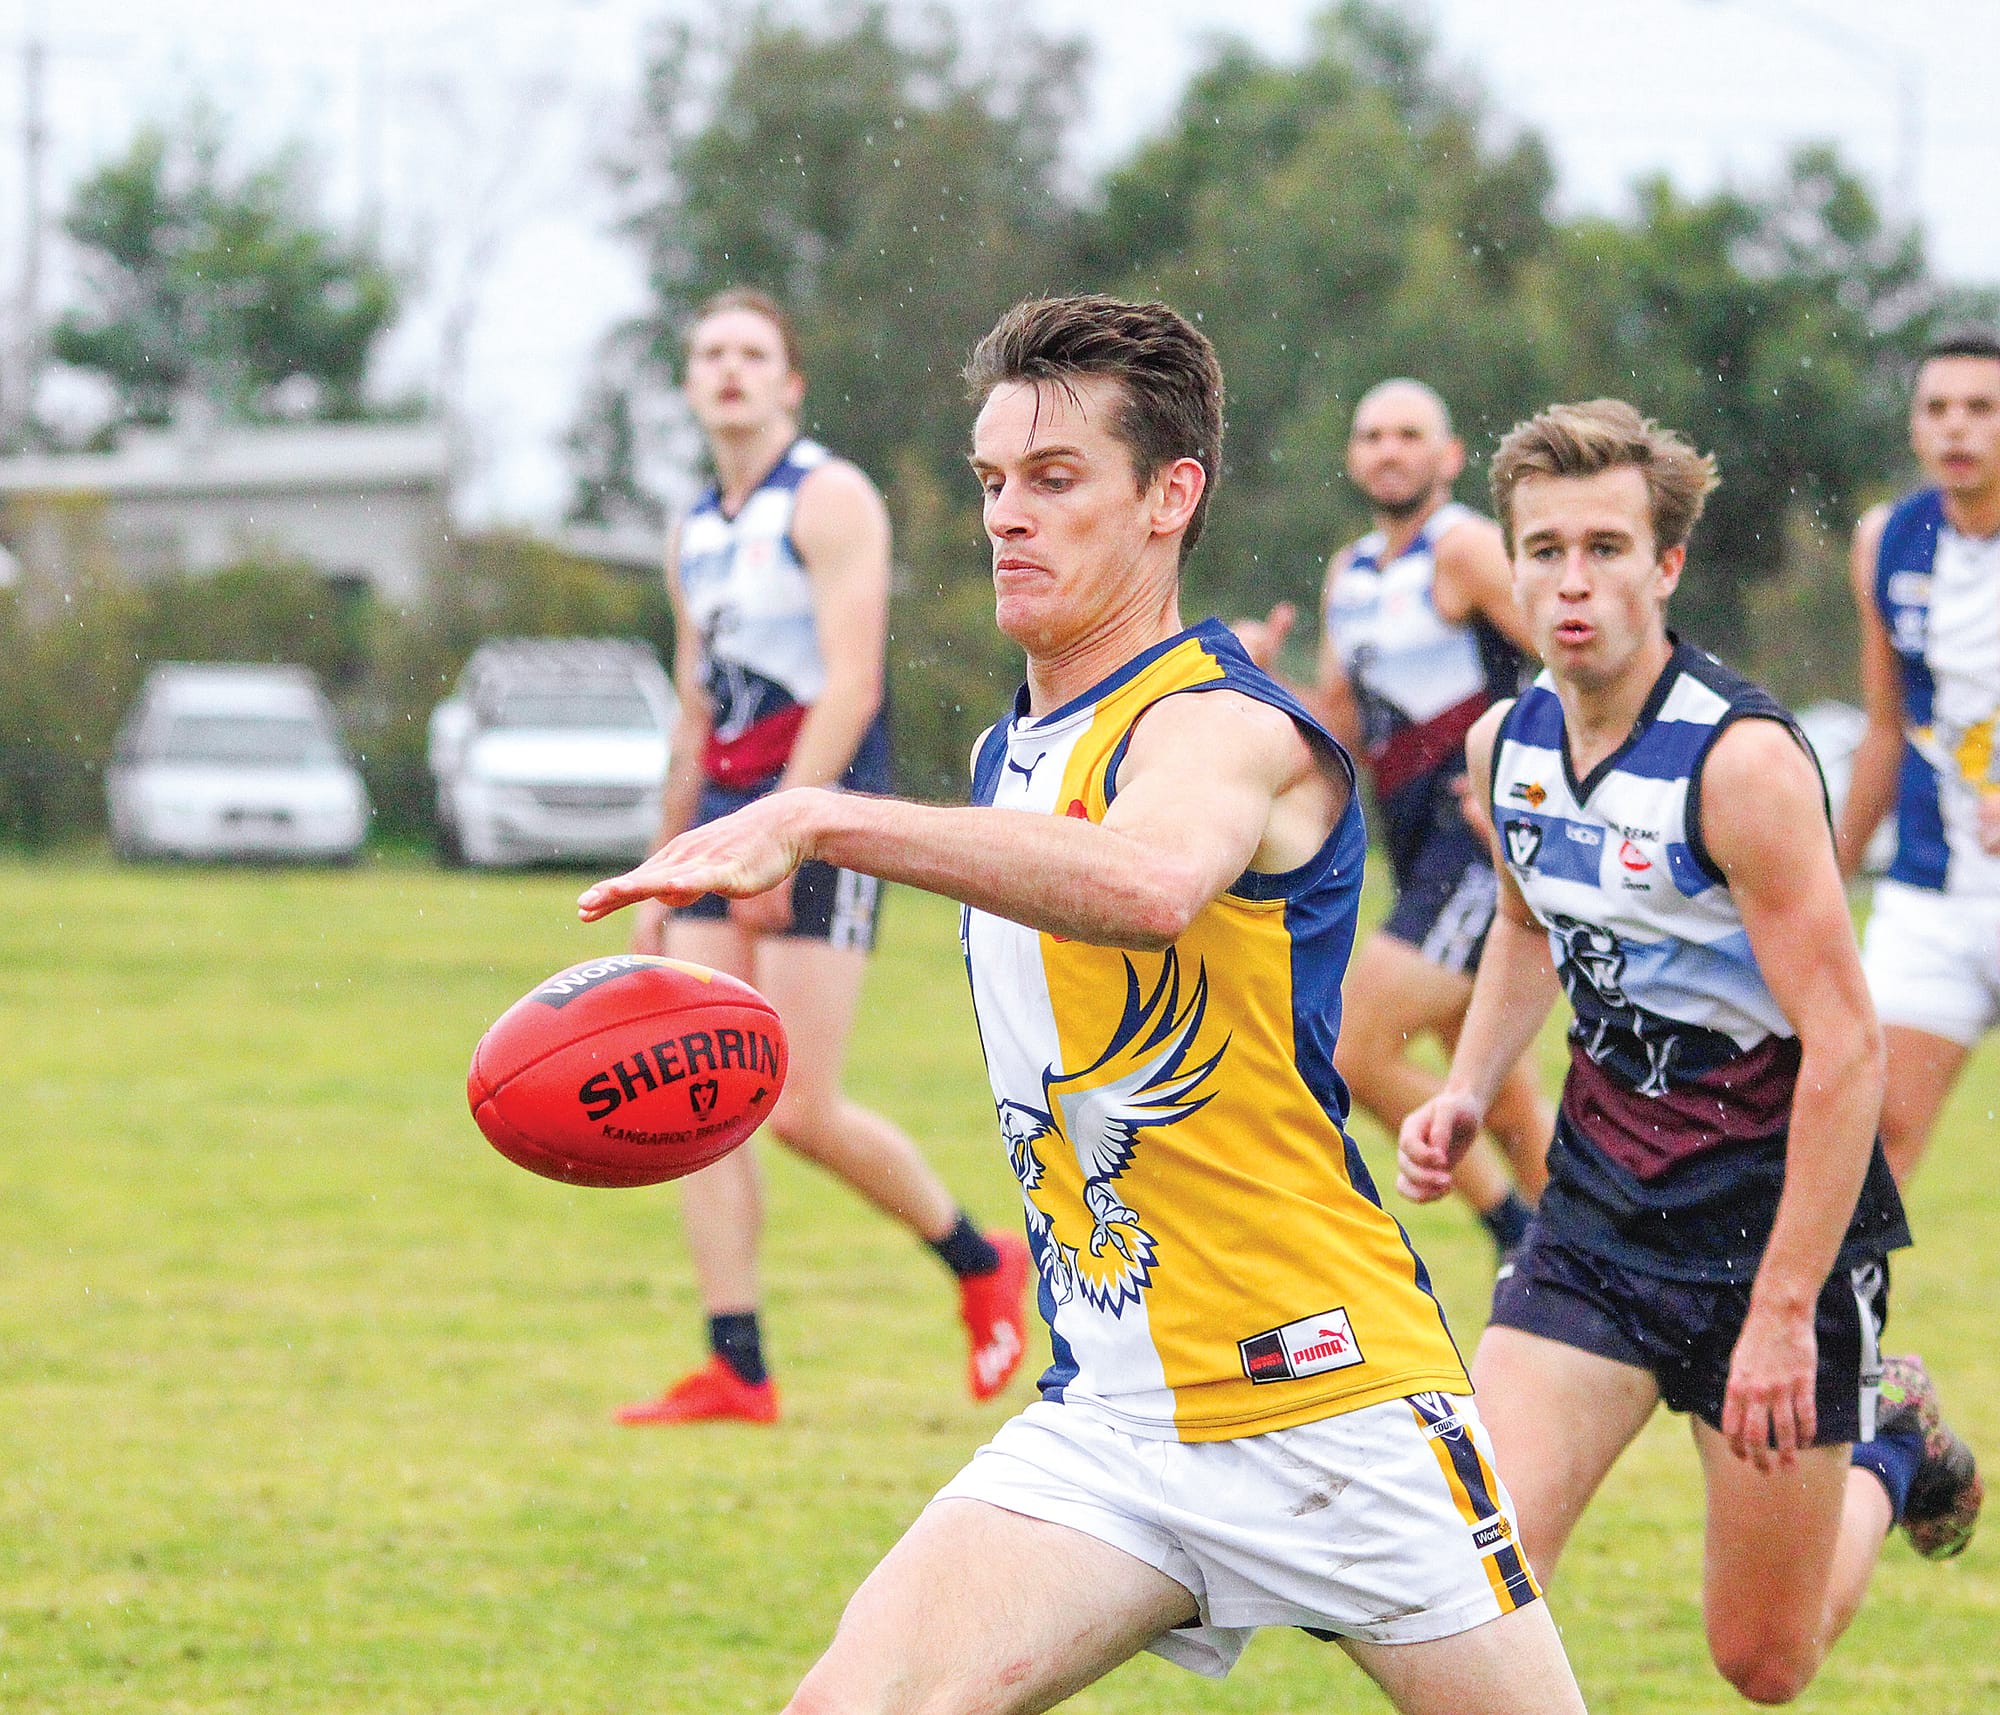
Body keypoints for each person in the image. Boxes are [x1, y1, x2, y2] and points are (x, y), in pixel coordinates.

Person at [581, 296, 1586, 1714]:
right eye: (994, 482)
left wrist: (821, 815)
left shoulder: (1226, 725)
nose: (1008, 516)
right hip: (1114, 1415)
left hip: (1328, 1397)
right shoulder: (1012, 746)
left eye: (1056, 480)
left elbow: (1151, 878)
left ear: (1171, 496)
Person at [1399, 399, 1981, 1706]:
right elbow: (1524, 923)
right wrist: (1466, 1086)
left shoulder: (1743, 763)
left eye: (1607, 546)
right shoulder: (1509, 745)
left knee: (1762, 1659)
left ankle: (1889, 1439)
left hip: (1769, 1241)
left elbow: (1846, 1047)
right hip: (1598, 1221)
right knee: (1461, 1578)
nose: (1572, 579)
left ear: (1666, 564)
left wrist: (1783, 1308)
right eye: (1543, 548)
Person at [614, 287, 1030, 1426]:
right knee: (692, 1101)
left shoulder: (829, 494)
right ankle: (735, 1364)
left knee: (795, 1105)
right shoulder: (691, 525)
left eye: (753, 353)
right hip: (723, 815)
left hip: (824, 813)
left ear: (789, 383)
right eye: (710, 353)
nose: (730, 370)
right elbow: (697, 705)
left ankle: (976, 1259)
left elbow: (852, 677)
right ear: (691, 382)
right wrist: (663, 864)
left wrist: (790, 835)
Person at [1238, 380, 1550, 1259]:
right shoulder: (1353, 572)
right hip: (1414, 851)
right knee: (1510, 1096)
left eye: (1410, 434)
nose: (1388, 449)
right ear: (1352, 458)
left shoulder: (1469, 550)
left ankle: (1516, 1235)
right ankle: (1597, 1261)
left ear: (1449, 458)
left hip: (1479, 851)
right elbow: (1338, 722)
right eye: (1371, 435)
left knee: (1351, 1046)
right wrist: (1253, 676)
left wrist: (1522, 776)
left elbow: (1584, 657)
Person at [1834, 327, 2000, 1185]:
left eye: (1981, 407)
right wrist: (1818, 879)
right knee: (1868, 1137)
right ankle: (1831, 1324)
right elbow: (1885, 730)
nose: (1957, 428)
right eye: (1938, 408)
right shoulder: (1888, 539)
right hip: (1933, 890)